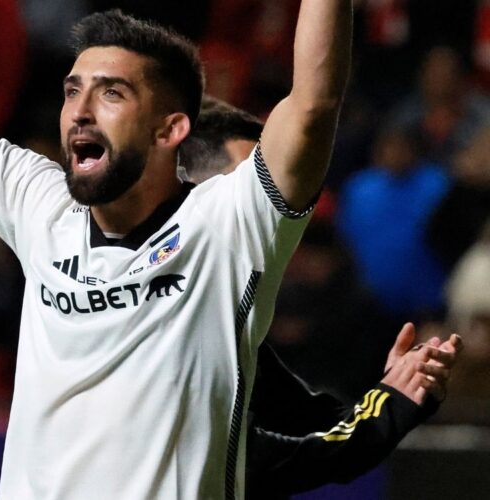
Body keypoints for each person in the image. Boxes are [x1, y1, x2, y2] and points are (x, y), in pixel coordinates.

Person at [0, 1, 352, 497]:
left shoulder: (226, 228)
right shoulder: (41, 206)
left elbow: (312, 103)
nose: (79, 112)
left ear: (170, 128)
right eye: (72, 91)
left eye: (111, 94)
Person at [180, 96, 463, 498]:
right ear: (189, 187)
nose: (268, 209)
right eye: (250, 189)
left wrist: (398, 393)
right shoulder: (140, 305)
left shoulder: (229, 325)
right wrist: (388, 409)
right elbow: (259, 461)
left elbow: (324, 428)